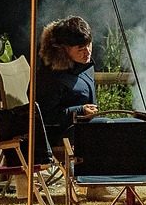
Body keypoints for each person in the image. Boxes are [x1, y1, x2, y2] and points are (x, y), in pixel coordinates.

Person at [35, 15, 99, 147]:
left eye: (89, 45)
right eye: (81, 49)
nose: (87, 52)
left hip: (84, 128)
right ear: (63, 49)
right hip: (60, 136)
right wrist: (80, 111)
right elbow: (44, 116)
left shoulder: (82, 64)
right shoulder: (50, 76)